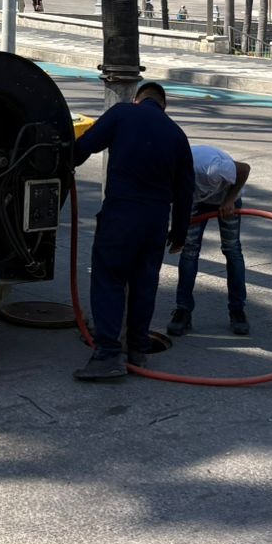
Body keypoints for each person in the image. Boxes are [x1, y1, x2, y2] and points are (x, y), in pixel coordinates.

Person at [71, 81, 194, 382]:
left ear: (138, 99)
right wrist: (179, 234)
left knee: (109, 279)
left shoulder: (123, 113)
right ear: (163, 106)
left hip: (121, 214)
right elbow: (185, 190)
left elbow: (85, 146)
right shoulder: (177, 134)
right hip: (155, 221)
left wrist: (62, 162)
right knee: (144, 283)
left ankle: (108, 354)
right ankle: (137, 348)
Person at [168, 146, 252, 337]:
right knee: (188, 251)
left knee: (232, 249)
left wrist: (230, 199)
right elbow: (175, 206)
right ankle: (183, 310)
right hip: (196, 200)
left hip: (225, 195)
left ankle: (237, 310)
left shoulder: (211, 169)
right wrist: (177, 233)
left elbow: (244, 169)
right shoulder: (170, 175)